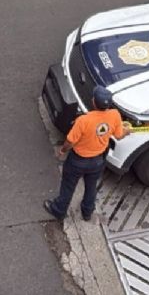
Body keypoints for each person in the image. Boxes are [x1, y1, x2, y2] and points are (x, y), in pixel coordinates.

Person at [44, 86, 131, 221]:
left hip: (77, 160)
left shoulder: (84, 120)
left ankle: (59, 210)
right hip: (98, 161)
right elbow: (119, 135)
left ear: (94, 102)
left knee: (68, 185)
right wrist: (126, 131)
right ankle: (87, 212)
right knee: (91, 186)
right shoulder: (114, 115)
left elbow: (70, 141)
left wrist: (62, 151)